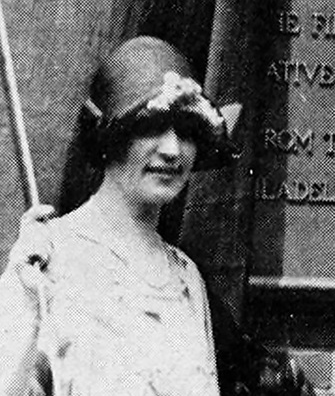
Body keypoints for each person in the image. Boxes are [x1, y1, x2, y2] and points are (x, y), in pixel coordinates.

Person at [0, 36, 239, 396]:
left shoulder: (185, 275)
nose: (173, 150)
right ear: (112, 136)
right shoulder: (46, 258)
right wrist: (25, 306)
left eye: (188, 131)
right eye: (152, 127)